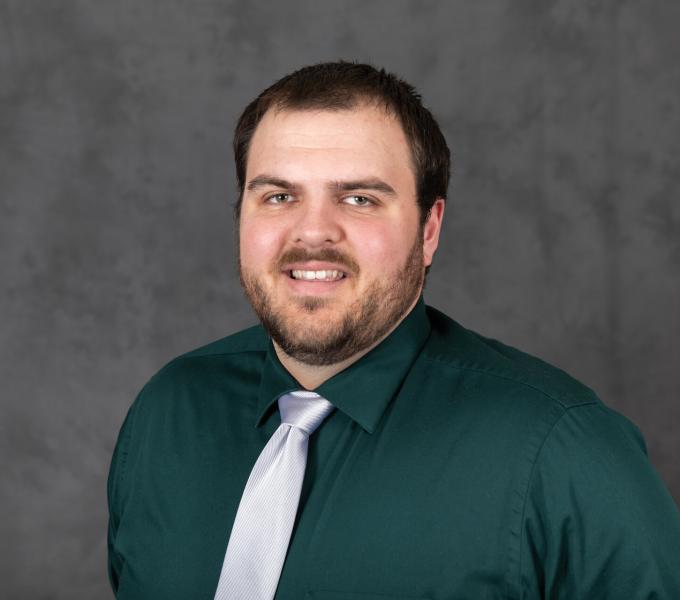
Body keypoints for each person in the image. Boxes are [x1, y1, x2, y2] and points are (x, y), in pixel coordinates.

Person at [107, 62, 680, 599]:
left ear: (429, 229)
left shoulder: (565, 453)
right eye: (279, 196)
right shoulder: (167, 414)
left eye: (358, 199)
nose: (312, 234)